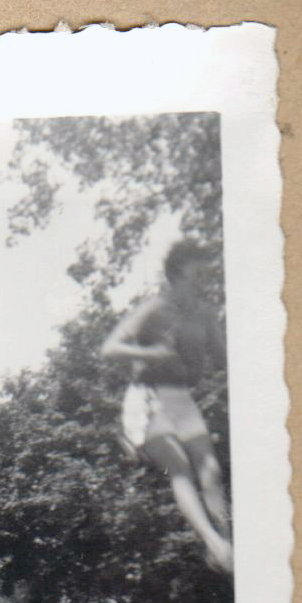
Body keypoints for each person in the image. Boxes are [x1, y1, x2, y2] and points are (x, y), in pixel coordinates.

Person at [97, 217, 235, 572]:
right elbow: (110, 348)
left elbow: (224, 359)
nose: (201, 285)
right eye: (195, 278)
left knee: (211, 470)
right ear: (175, 278)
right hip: (146, 397)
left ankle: (226, 547)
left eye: (205, 277)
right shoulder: (154, 309)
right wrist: (148, 354)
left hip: (181, 398)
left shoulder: (205, 314)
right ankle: (213, 542)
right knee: (180, 465)